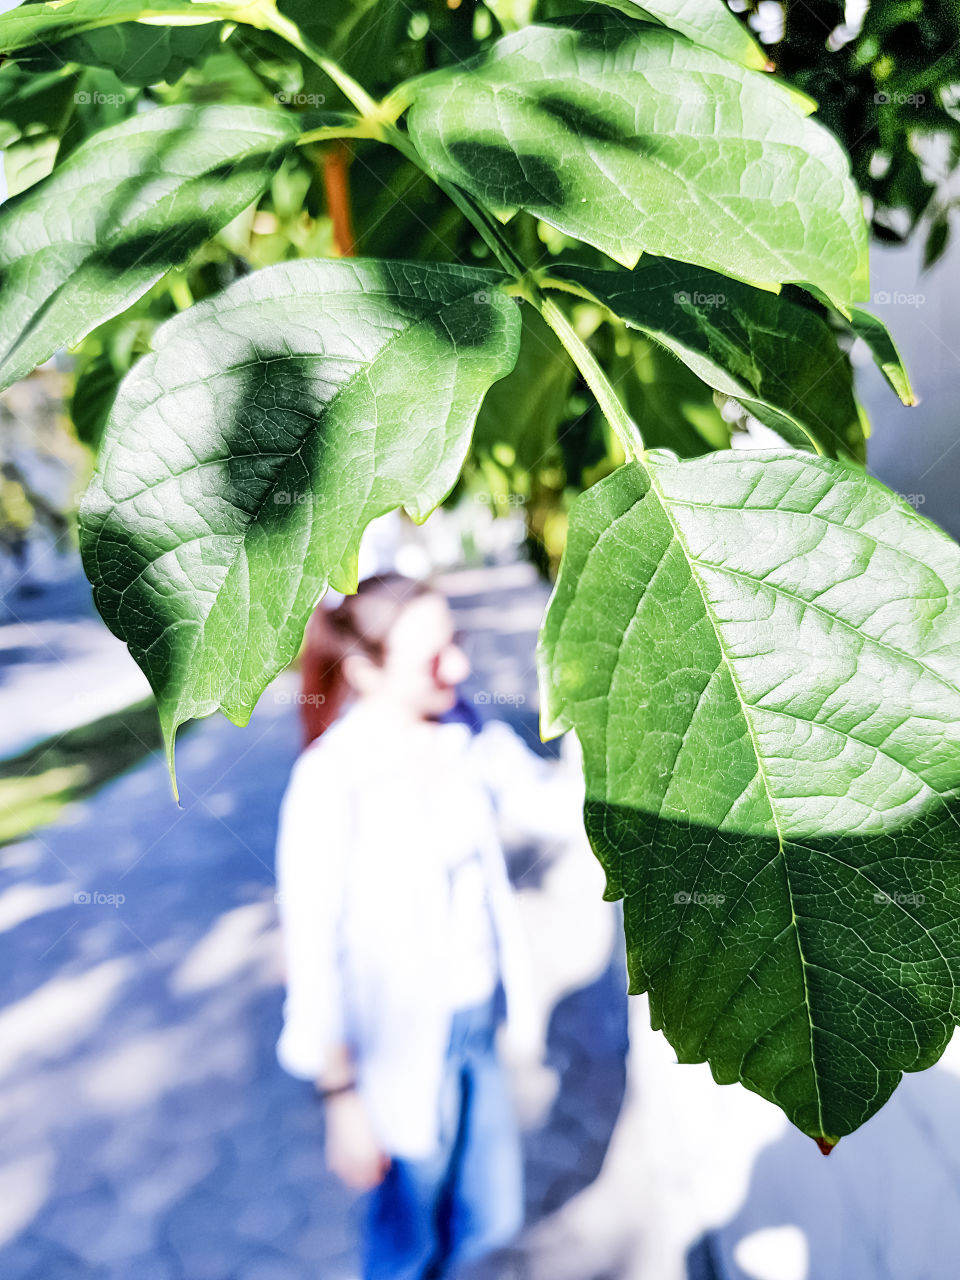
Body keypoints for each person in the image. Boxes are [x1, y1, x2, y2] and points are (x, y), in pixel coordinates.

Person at [274, 573, 582, 1280]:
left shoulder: (462, 730)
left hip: (475, 1028)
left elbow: (551, 807)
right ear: (364, 670)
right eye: (432, 657)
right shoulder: (330, 780)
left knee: (490, 1213)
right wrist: (339, 1098)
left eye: (456, 644)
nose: (459, 667)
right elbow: (311, 953)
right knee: (407, 1243)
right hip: (396, 1048)